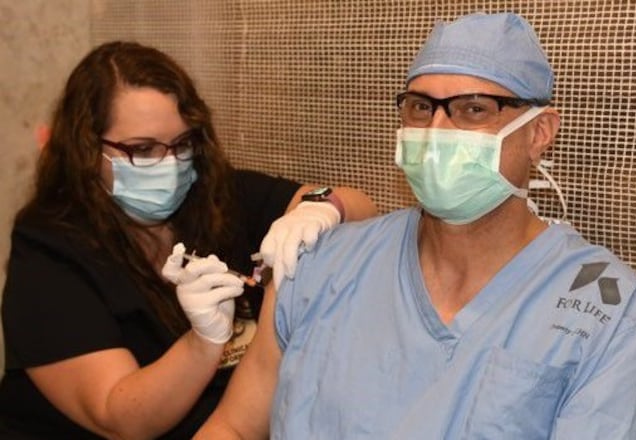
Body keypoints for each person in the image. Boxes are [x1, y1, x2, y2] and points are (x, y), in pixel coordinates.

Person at [197, 11, 636, 439]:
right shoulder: (322, 266)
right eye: (421, 107)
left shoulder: (600, 307)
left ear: (539, 133)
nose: (436, 134)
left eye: (473, 110)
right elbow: (235, 427)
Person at [0, 41, 377, 439]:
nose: (169, 164)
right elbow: (121, 416)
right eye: (143, 150)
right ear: (86, 149)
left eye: (182, 145)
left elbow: (361, 206)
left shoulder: (218, 197)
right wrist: (203, 343)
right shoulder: (49, 250)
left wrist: (322, 209)